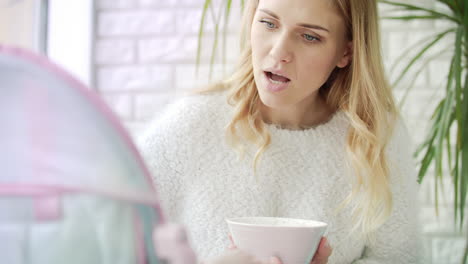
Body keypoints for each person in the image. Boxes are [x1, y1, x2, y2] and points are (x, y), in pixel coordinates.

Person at [139, 0, 423, 263]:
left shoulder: (375, 139)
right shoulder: (189, 126)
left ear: (345, 52)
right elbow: (112, 246)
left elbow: (400, 257)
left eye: (310, 36)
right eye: (268, 24)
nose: (278, 52)